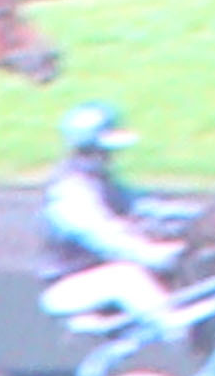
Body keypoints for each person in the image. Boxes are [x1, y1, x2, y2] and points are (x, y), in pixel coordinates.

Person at [35, 100, 186, 339]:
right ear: (90, 149)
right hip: (69, 290)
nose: (112, 156)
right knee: (126, 276)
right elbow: (106, 238)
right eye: (106, 151)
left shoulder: (102, 182)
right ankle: (180, 330)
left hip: (101, 274)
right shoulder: (69, 193)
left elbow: (145, 207)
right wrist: (156, 255)